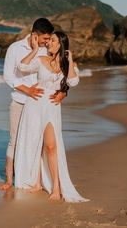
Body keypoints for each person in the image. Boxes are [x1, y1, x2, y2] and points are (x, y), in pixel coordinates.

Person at [14, 31, 89, 202]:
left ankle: (56, 187)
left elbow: (72, 82)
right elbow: (22, 67)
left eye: (53, 41)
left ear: (61, 44)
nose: (48, 43)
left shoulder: (68, 64)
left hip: (52, 108)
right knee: (36, 143)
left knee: (51, 146)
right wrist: (34, 49)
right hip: (35, 105)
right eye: (48, 41)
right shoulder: (41, 60)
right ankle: (37, 182)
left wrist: (69, 61)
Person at [0, 18, 67, 190]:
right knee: (15, 141)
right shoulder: (15, 49)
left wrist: (63, 93)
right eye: (45, 38)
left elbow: (61, 73)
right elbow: (8, 76)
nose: (47, 42)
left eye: (48, 39)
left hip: (40, 105)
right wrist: (28, 90)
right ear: (34, 35)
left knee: (38, 142)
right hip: (21, 101)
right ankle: (9, 180)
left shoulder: (46, 51)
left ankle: (38, 180)